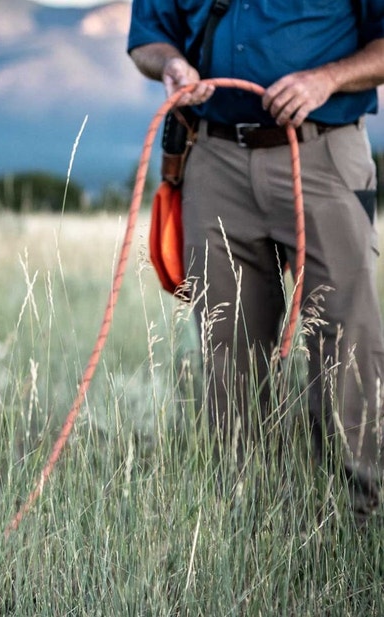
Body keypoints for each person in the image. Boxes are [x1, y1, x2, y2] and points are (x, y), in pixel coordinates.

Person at [127, 1, 384, 522]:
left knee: (347, 342)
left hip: (324, 153)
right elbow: (148, 38)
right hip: (213, 158)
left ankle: (358, 518)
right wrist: (172, 66)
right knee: (228, 350)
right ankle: (252, 520)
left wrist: (326, 79)